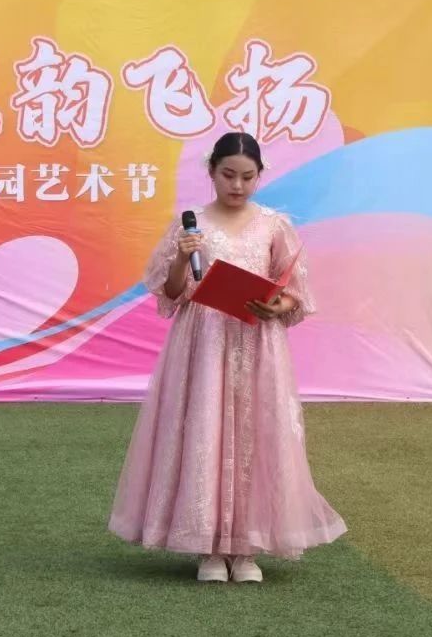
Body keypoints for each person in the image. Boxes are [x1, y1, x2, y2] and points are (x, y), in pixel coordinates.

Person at [108, 132, 345, 583]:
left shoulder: (274, 225)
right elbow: (172, 293)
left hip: (257, 341)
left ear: (260, 176)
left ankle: (247, 548)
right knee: (204, 430)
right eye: (228, 175)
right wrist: (182, 260)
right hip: (203, 342)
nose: (237, 185)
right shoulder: (190, 225)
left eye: (247, 177)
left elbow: (294, 293)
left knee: (256, 433)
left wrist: (277, 305)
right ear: (211, 172)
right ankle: (208, 549)